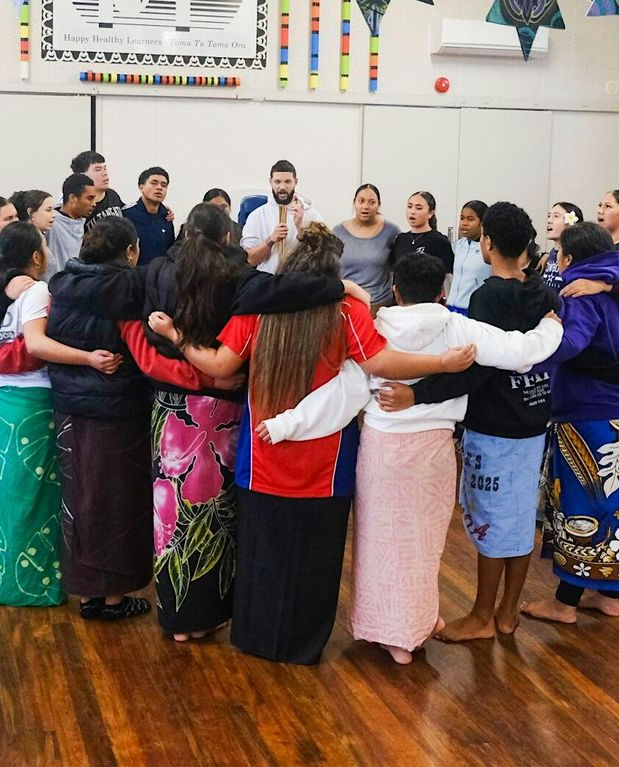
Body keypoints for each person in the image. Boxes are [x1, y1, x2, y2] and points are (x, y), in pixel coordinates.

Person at [150, 222, 479, 665]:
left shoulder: (257, 308)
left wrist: (176, 337)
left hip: (263, 455)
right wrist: (442, 362)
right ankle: (304, 644)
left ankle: (255, 636)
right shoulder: (346, 310)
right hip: (326, 463)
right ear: (331, 272)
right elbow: (380, 362)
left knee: (261, 552)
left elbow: (220, 363)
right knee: (316, 559)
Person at [261, 251, 562, 664]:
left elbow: (342, 392)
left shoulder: (375, 329)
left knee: (379, 542)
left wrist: (285, 424)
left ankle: (385, 630)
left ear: (395, 288)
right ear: (443, 291)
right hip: (434, 450)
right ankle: (415, 626)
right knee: (423, 546)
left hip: (382, 449)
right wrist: (551, 326)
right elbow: (520, 352)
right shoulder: (457, 326)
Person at [376, 203, 561, 642]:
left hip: (496, 422)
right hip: (534, 419)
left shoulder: (488, 296)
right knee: (516, 518)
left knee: (492, 518)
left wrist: (416, 393)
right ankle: (507, 612)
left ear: (489, 243)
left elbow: (475, 369)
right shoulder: (542, 292)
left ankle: (482, 615)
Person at [519, 222, 619, 624]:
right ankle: (608, 596)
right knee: (618, 511)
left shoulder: (578, 295)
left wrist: (525, 353)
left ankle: (565, 603)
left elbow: (571, 345)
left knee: (581, 509)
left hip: (590, 417)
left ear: (569, 259)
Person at [0, 222, 120, 606]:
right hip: (29, 405)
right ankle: (33, 586)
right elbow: (36, 344)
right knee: (34, 496)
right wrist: (88, 357)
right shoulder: (35, 289)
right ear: (36, 255)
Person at [40, 217, 158, 620]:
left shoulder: (63, 284)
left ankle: (87, 589)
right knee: (118, 501)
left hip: (70, 407)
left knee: (80, 497)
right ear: (129, 252)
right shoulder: (127, 288)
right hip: (118, 410)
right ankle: (113, 599)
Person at [241, 159, 323, 274]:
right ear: (270, 182)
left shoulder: (311, 214)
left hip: (301, 283)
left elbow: (321, 258)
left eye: (288, 181)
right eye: (277, 182)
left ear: (296, 182)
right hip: (266, 282)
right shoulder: (257, 216)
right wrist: (270, 240)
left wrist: (300, 227)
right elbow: (251, 260)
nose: (282, 187)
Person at [335, 183, 399, 310]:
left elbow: (399, 266)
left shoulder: (391, 231)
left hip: (380, 304)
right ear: (354, 203)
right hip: (347, 302)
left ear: (378, 205)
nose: (365, 206)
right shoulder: (338, 232)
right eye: (361, 201)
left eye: (371, 202)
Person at [46, 174, 103, 279]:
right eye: (89, 198)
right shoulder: (51, 222)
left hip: (71, 287)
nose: (94, 204)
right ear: (73, 198)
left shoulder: (82, 222)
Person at [390, 191, 454, 276]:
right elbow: (394, 271)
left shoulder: (439, 241)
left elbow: (447, 276)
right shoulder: (400, 239)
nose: (412, 212)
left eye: (419, 208)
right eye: (409, 206)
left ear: (430, 213)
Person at [122, 167, 175, 265]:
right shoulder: (127, 214)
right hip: (132, 275)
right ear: (141, 187)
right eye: (154, 183)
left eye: (164, 185)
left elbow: (170, 251)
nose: (159, 188)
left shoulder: (167, 217)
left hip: (159, 275)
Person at [447, 201, 492, 315]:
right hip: (452, 308)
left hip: (474, 310)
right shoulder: (457, 246)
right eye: (462, 218)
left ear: (482, 223)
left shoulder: (490, 248)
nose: (464, 223)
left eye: (470, 219)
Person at [71, 150, 125, 231]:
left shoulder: (112, 195)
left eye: (105, 168)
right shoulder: (78, 203)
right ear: (82, 175)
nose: (104, 173)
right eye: (98, 169)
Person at [539, 201, 583, 291]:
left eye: (556, 216)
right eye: (549, 216)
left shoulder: (576, 254)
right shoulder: (551, 253)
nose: (549, 221)